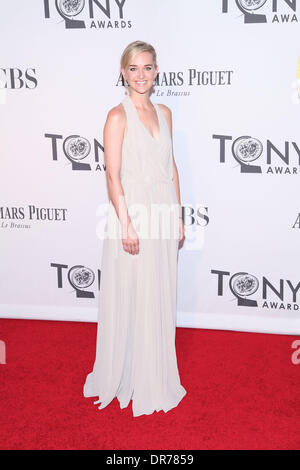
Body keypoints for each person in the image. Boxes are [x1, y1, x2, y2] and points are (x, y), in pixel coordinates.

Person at [83, 40, 187, 417]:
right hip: (133, 215)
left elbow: (171, 167)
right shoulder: (117, 116)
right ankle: (126, 372)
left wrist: (177, 215)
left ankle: (154, 372)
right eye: (133, 68)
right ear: (123, 72)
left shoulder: (165, 112)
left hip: (161, 212)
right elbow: (112, 176)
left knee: (158, 292)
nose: (140, 75)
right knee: (132, 293)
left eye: (147, 67)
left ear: (156, 71)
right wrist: (126, 224)